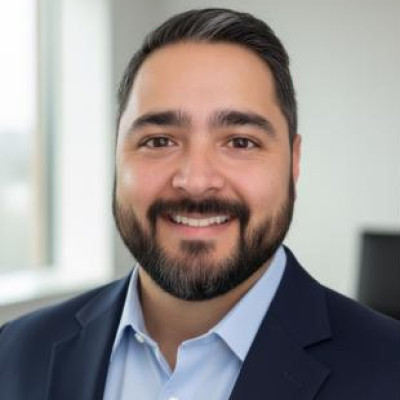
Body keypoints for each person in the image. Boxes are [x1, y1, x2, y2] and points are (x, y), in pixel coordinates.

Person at [0, 8, 398, 400]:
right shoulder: (14, 352)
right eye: (159, 141)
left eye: (240, 142)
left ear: (294, 162)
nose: (195, 181)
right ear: (116, 155)